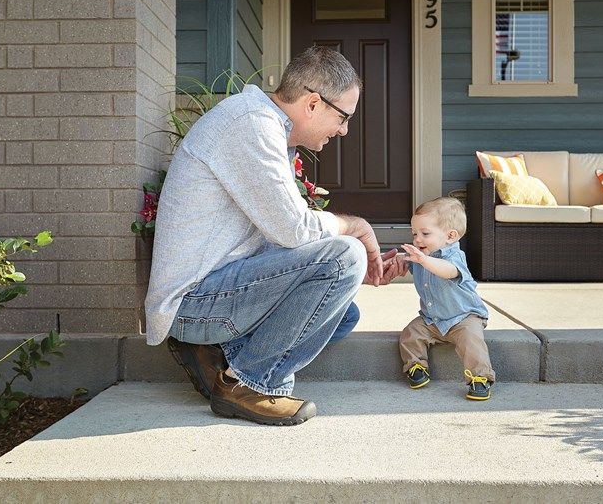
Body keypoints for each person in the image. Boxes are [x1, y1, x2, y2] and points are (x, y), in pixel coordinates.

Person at [144, 46, 406, 426]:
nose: (344, 130)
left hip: (219, 288)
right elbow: (295, 229)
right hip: (194, 301)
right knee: (343, 255)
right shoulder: (251, 125)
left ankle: (215, 351)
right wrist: (355, 228)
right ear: (313, 103)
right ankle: (248, 383)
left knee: (342, 314)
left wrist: (341, 276)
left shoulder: (266, 127)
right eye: (343, 117)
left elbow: (284, 238)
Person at [398, 197, 496, 400]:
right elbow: (403, 265)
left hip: (463, 318)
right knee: (410, 333)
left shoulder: (453, 257)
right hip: (432, 319)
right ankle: (416, 366)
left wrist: (424, 260)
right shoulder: (421, 256)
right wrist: (394, 262)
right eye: (414, 233)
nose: (417, 239)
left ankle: (480, 378)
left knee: (472, 341)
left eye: (425, 233)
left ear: (451, 236)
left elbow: (448, 271)